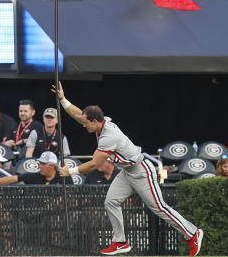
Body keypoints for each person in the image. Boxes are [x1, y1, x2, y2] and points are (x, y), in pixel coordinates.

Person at [52, 81, 204, 257]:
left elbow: (94, 164)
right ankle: (120, 242)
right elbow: (79, 115)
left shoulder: (108, 136)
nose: (83, 125)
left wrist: (70, 171)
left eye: (86, 123)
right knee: (110, 202)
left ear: (94, 121)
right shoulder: (101, 122)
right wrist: (63, 99)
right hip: (127, 172)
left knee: (159, 208)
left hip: (141, 171)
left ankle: (193, 234)